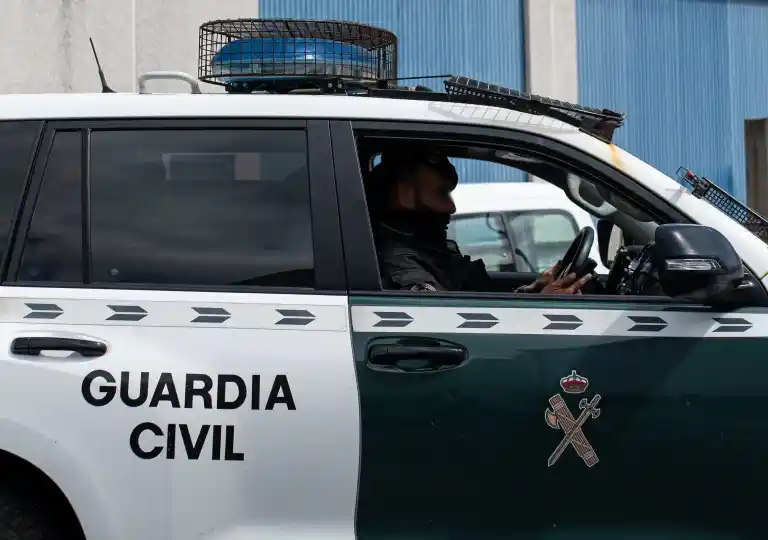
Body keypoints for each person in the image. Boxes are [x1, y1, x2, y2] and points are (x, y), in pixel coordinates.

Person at [365, 147, 592, 294]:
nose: (451, 207)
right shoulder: (400, 265)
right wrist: (539, 309)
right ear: (405, 195)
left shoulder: (429, 252)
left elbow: (472, 302)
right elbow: (443, 324)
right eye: (441, 193)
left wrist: (530, 293)